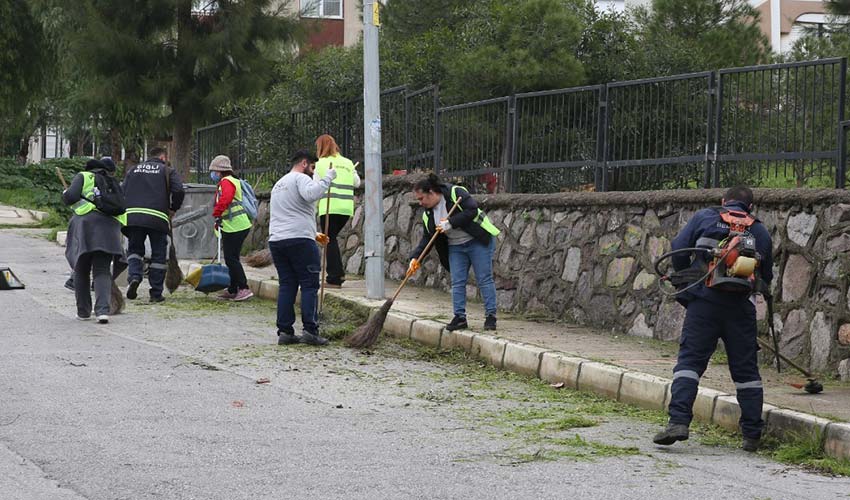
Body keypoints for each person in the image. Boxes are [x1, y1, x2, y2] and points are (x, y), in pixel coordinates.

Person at [652, 185, 773, 452]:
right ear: (750, 207)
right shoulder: (759, 229)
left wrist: (690, 280)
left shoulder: (705, 217)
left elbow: (679, 248)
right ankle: (752, 434)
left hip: (704, 304)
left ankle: (678, 423)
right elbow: (765, 275)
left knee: (690, 364)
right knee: (746, 372)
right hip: (740, 308)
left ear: (723, 201)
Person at [409, 173, 501, 332]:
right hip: (456, 247)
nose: (420, 202)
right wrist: (416, 258)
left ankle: (490, 317)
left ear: (431, 192)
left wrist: (450, 223)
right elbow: (427, 238)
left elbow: (471, 210)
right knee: (457, 281)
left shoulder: (455, 193)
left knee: (484, 278)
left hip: (477, 239)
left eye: (421, 198)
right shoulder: (428, 214)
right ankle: (459, 317)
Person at [268, 149, 335, 346]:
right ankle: (310, 330)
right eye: (313, 168)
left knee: (287, 284)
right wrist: (327, 179)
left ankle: (285, 331)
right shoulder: (300, 178)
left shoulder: (279, 184)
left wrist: (313, 233)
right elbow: (312, 194)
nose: (313, 172)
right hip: (299, 240)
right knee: (309, 283)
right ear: (304, 163)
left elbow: (289, 212)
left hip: (278, 240)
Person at [62, 159, 126, 323]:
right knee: (102, 270)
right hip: (109, 230)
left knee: (81, 270)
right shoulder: (112, 183)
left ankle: (83, 312)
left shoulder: (84, 176)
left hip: (86, 229)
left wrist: (65, 194)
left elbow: (71, 197)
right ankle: (102, 311)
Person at [122, 147, 184, 303]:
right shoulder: (167, 171)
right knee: (158, 255)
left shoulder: (133, 170)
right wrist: (173, 208)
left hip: (133, 216)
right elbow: (178, 190)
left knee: (134, 250)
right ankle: (156, 293)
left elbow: (122, 190)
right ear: (163, 157)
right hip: (157, 217)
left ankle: (134, 276)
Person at [314, 134, 360, 288]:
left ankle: (335, 277)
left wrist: (312, 208)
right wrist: (352, 172)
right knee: (331, 238)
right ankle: (337, 274)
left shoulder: (320, 163)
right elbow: (357, 183)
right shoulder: (348, 163)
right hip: (346, 208)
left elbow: (315, 188)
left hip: (329, 206)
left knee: (328, 239)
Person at [209, 155, 253, 301]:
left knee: (232, 259)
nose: (212, 174)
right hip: (235, 225)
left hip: (235, 226)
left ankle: (244, 288)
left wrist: (216, 212)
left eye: (214, 171)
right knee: (231, 258)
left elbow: (225, 199)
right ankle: (233, 289)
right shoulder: (231, 180)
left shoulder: (227, 182)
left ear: (220, 172)